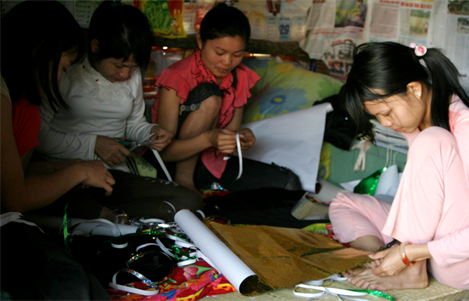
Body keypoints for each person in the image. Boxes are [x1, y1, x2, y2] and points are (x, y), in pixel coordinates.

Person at [328, 42, 469, 290]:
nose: (386, 122)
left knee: (433, 139)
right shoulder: (414, 121)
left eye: (387, 112)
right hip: (433, 243)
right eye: (378, 117)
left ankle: (412, 271)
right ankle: (376, 258)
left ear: (414, 89)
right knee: (344, 202)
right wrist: (394, 251)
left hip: (467, 266)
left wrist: (409, 255)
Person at [36, 0, 203, 221]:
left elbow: (133, 124)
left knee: (189, 202)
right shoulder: (66, 71)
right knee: (63, 195)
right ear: (95, 47)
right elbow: (40, 138)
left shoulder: (131, 75)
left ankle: (102, 215)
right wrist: (93, 144)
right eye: (118, 65)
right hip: (64, 172)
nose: (126, 75)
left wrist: (151, 132)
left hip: (112, 175)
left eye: (132, 67)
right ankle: (100, 214)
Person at [0, 1, 113, 299]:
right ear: (40, 49)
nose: (62, 79)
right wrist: (79, 170)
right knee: (69, 283)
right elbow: (14, 196)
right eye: (63, 67)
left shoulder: (19, 100)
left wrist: (71, 168)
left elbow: (14, 173)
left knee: (89, 286)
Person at [150, 3, 302, 192]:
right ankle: (184, 181)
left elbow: (228, 138)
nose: (227, 62)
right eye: (219, 53)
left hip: (211, 164)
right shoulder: (176, 77)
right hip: (169, 167)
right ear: (200, 42)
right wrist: (209, 139)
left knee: (288, 183)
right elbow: (162, 152)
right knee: (210, 96)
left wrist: (239, 141)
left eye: (237, 54)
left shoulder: (239, 77)